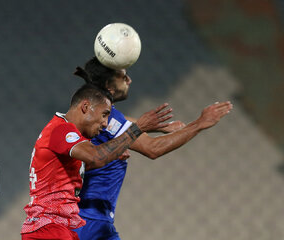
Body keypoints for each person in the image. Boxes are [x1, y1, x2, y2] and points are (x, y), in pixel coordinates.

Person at [73, 57, 233, 240]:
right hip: (89, 222)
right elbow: (153, 148)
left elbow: (121, 122)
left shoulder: (93, 112)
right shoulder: (110, 119)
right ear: (109, 87)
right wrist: (200, 123)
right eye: (123, 77)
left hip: (87, 219)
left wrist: (158, 127)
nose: (129, 81)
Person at [20, 83, 173, 240]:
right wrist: (137, 128)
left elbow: (93, 158)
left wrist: (114, 152)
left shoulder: (67, 135)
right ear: (85, 107)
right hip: (49, 228)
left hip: (56, 227)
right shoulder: (61, 130)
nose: (106, 123)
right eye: (104, 114)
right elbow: (97, 156)